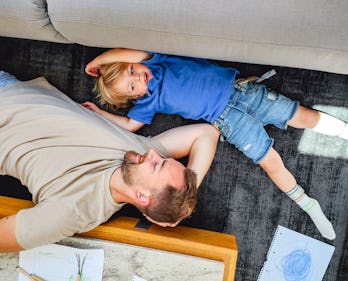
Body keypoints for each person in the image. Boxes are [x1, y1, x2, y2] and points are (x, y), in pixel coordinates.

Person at [83, 48, 348, 240]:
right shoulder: (148, 103)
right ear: (134, 97)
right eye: (133, 85)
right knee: (270, 162)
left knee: (306, 117)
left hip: (243, 92)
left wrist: (99, 62)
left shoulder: (153, 62)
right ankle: (308, 203)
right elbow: (130, 125)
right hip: (226, 120)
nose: (138, 77)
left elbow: (128, 54)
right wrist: (99, 114)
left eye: (132, 70)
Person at [0, 70, 220, 252]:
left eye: (157, 165)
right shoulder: (140, 153)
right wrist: (185, 195)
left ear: (142, 196)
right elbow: (206, 134)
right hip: (9, 86)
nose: (154, 155)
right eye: (162, 159)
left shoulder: (76, 211)